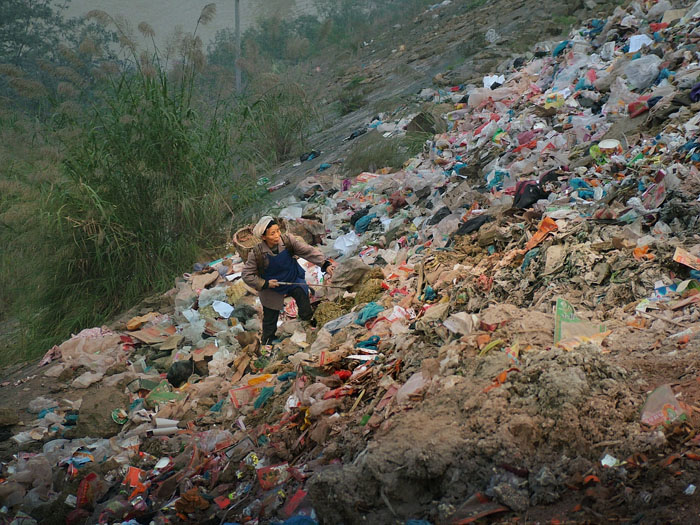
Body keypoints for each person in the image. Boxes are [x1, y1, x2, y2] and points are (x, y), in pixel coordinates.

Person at [242, 216, 334, 345]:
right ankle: (267, 343)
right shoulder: (256, 253)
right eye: (272, 233)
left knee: (303, 298)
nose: (277, 235)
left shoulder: (288, 241)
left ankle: (307, 324)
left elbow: (307, 251)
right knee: (270, 316)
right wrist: (265, 283)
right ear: (264, 237)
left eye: (278, 231)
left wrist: (324, 264)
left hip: (292, 279)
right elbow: (246, 275)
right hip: (271, 287)